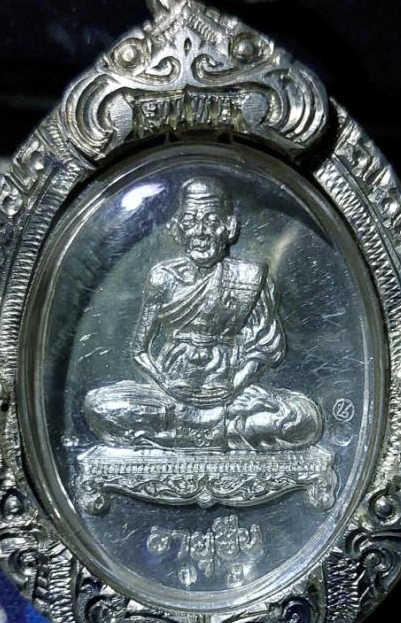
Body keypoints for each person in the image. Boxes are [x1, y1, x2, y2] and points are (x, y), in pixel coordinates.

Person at [85, 176, 322, 452]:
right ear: (177, 229)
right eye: (190, 222)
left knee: (304, 418)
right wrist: (167, 385)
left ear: (229, 228)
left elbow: (264, 347)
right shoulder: (163, 277)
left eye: (211, 221)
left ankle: (170, 438)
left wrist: (234, 386)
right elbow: (139, 351)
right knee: (99, 406)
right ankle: (220, 434)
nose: (200, 232)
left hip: (231, 391)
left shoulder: (250, 278)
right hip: (171, 392)